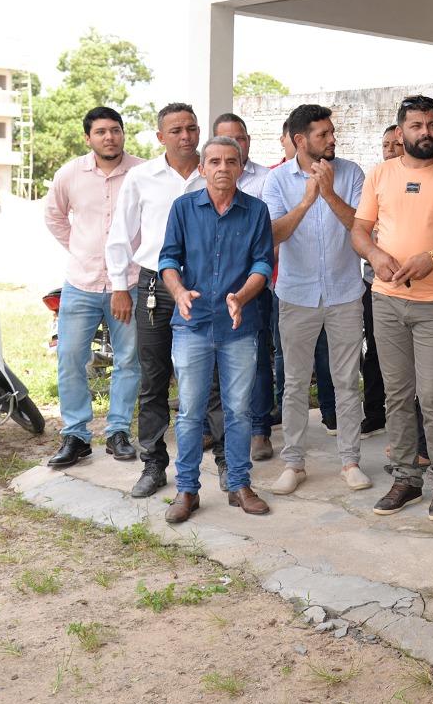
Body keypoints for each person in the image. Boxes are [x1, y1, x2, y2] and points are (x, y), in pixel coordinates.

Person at [352, 95, 433, 522]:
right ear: (401, 131)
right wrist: (374, 255)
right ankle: (407, 478)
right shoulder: (380, 174)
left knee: (432, 395)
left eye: (432, 124)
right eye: (417, 125)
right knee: (397, 395)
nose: (426, 132)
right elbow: (359, 230)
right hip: (387, 300)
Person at [159, 136, 274, 522]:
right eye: (214, 161)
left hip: (238, 326)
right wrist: (178, 291)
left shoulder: (257, 211)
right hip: (192, 324)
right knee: (190, 412)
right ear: (202, 168)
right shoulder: (183, 208)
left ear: (241, 168)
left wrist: (240, 297)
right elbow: (168, 259)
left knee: (239, 411)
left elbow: (262, 265)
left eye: (231, 161)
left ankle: (239, 485)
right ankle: (187, 490)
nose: (223, 167)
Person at [263, 104, 372, 494]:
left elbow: (363, 227)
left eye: (331, 132)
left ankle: (350, 461)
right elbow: (273, 234)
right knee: (293, 383)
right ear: (299, 140)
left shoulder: (353, 173)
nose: (331, 139)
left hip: (344, 293)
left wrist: (328, 193)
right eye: (322, 134)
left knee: (346, 380)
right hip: (296, 294)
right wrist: (309, 198)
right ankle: (294, 463)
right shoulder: (277, 181)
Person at [106, 103, 205, 499]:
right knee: (153, 378)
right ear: (160, 136)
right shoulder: (142, 177)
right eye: (176, 130)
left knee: (207, 379)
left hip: (203, 286)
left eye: (191, 128)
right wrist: (118, 284)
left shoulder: (213, 171)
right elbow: (120, 233)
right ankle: (154, 463)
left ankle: (225, 466)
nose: (185, 136)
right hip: (153, 289)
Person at [43, 107, 144, 468]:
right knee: (70, 358)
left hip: (128, 283)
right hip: (81, 283)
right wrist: (81, 248)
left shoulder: (142, 172)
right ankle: (76, 435)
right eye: (101, 132)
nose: (109, 137)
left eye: (115, 130)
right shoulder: (70, 174)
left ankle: (118, 432)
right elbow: (53, 215)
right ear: (88, 138)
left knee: (129, 359)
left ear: (122, 134)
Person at [213, 113, 276, 463]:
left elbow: (269, 240)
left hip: (253, 288)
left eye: (240, 139)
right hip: (209, 291)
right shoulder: (201, 181)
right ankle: (216, 427)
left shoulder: (266, 180)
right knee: (211, 362)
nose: (235, 146)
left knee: (255, 361)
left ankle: (258, 430)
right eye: (226, 140)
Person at [359, 126, 403, 439]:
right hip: (375, 282)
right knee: (375, 350)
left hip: (417, 285)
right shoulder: (375, 180)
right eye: (385, 144)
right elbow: (363, 228)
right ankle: (375, 412)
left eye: (395, 144)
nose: (389, 150)